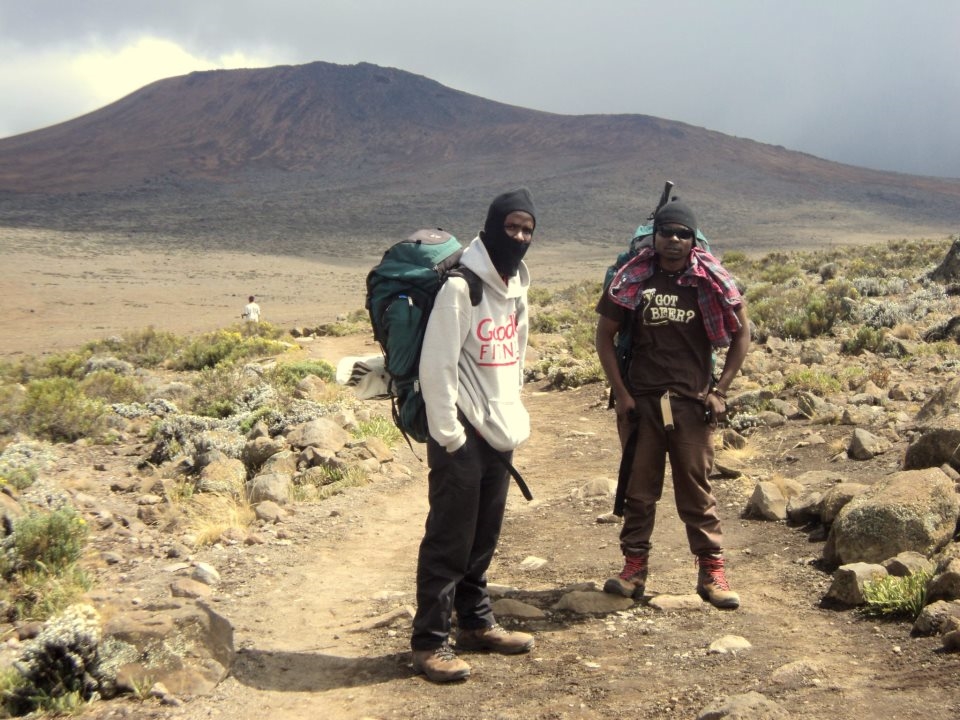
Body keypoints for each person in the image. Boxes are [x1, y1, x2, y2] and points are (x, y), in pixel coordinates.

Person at [594, 197, 750, 610]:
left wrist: (720, 390)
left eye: (684, 234)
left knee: (697, 493)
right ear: (656, 236)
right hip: (641, 404)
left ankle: (712, 573)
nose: (675, 241)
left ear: (694, 240)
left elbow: (741, 335)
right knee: (638, 491)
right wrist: (623, 394)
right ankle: (634, 569)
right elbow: (604, 337)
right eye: (668, 232)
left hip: (691, 404)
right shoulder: (633, 279)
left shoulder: (710, 282)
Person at [411, 188, 538, 683]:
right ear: (492, 226)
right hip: (461, 431)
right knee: (449, 537)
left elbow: (518, 356)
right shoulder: (461, 288)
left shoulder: (516, 286)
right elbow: (437, 366)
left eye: (527, 229)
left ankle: (476, 623)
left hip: (499, 430)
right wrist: (450, 435)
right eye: (512, 228)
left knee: (483, 534)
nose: (520, 237)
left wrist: (511, 413)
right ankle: (429, 643)